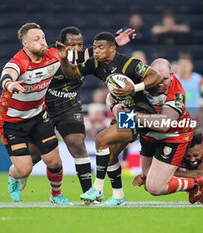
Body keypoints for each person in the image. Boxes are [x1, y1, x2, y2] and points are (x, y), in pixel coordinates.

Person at [19, 27, 136, 197]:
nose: (76, 48)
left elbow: (107, 72)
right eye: (71, 45)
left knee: (79, 144)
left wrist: (114, 45)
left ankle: (91, 193)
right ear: (61, 45)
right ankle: (20, 173)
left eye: (80, 45)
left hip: (69, 108)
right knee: (35, 154)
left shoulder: (87, 62)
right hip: (44, 109)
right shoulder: (50, 56)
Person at [56, 32, 163, 206]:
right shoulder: (96, 63)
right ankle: (119, 196)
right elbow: (72, 74)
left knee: (101, 139)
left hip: (141, 113)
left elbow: (156, 76)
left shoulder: (129, 63)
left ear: (113, 49)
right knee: (112, 155)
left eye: (100, 47)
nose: (96, 51)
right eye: (95, 47)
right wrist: (63, 60)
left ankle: (97, 188)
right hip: (125, 113)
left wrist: (134, 88)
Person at [0, 22, 72, 205]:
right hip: (11, 121)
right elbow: (6, 74)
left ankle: (56, 195)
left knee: (54, 162)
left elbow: (82, 55)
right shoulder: (19, 62)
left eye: (43, 37)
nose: (42, 42)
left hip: (38, 115)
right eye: (36, 39)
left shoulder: (54, 55)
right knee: (25, 169)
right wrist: (10, 84)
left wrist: (112, 44)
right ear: (25, 44)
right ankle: (14, 175)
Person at [130, 58, 203, 198]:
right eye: (157, 77)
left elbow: (164, 125)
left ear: (172, 76)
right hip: (149, 135)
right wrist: (114, 107)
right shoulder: (138, 81)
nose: (160, 82)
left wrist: (130, 116)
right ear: (149, 75)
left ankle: (197, 183)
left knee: (154, 188)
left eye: (165, 78)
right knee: (148, 183)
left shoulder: (177, 93)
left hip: (174, 137)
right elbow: (112, 97)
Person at [176, 54, 203, 122]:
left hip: (195, 119)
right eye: (182, 64)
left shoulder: (198, 79)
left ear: (191, 65)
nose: (184, 66)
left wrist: (202, 113)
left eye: (186, 64)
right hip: (178, 119)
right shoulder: (174, 79)